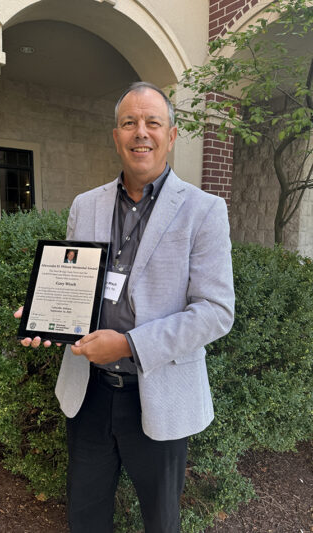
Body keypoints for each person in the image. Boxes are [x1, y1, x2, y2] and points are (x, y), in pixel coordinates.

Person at [15, 81, 235, 532]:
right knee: (86, 516)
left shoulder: (204, 210)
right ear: (116, 136)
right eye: (129, 123)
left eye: (153, 122)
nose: (141, 132)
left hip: (159, 393)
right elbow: (73, 283)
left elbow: (215, 311)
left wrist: (129, 344)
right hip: (89, 392)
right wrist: (46, 315)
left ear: (171, 135)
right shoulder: (85, 205)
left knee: (160, 521)